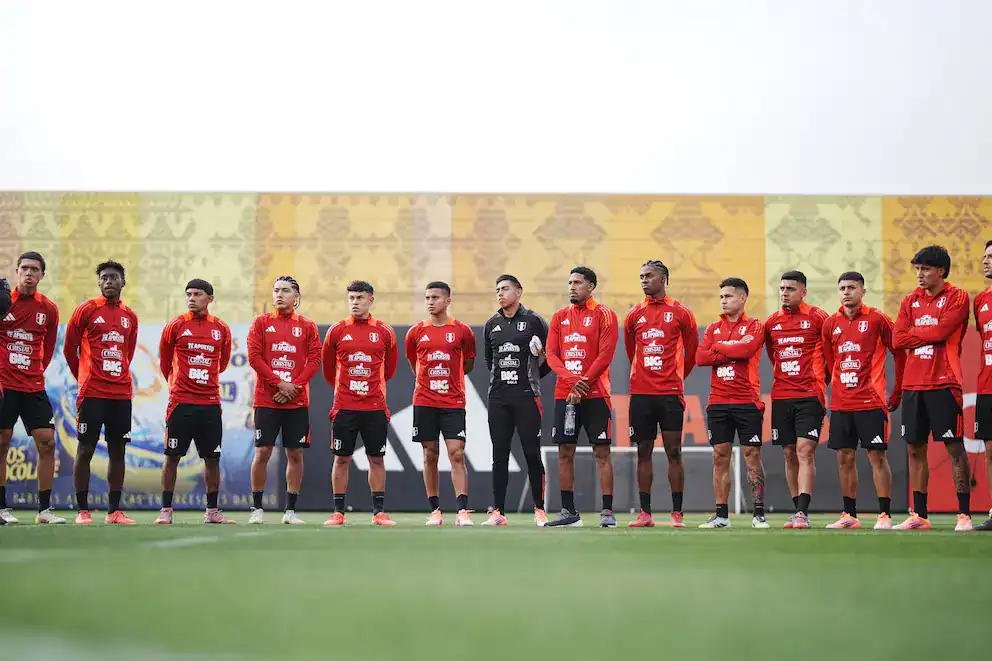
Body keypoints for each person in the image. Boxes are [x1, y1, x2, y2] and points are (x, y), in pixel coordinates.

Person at [892, 245, 973, 531]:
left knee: (954, 447)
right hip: (914, 385)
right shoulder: (909, 300)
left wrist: (917, 333)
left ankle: (964, 515)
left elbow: (942, 332)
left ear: (941, 271)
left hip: (945, 382)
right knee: (915, 449)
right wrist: (926, 335)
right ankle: (919, 516)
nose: (919, 274)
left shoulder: (958, 297)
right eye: (917, 269)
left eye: (925, 269)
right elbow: (897, 339)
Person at [821, 272, 905, 530]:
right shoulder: (830, 324)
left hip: (871, 401)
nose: (846, 292)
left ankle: (884, 515)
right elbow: (830, 362)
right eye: (843, 288)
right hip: (841, 403)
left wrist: (896, 392)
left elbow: (899, 353)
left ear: (863, 291)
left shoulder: (878, 319)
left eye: (852, 287)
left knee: (877, 457)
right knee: (844, 458)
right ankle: (849, 515)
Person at [63, 260, 140, 525]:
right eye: (104, 277)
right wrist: (83, 378)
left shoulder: (130, 316)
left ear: (123, 282)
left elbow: (127, 353)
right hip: (92, 393)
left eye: (114, 277)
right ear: (99, 282)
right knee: (85, 449)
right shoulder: (86, 310)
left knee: (118, 451)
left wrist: (116, 376)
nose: (109, 281)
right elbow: (68, 349)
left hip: (120, 394)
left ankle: (114, 511)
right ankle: (82, 510)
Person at [154, 279, 235, 525]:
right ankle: (166, 510)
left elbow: (222, 363)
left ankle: (212, 511)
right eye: (188, 294)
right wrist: (181, 386)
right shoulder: (176, 326)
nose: (191, 298)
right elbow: (165, 362)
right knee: (172, 457)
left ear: (209, 298)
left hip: (210, 404)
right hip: (181, 403)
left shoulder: (221, 328)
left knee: (212, 459)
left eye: (197, 294)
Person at [623, 260, 698, 528]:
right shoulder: (634, 315)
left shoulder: (681, 313)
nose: (644, 280)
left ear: (663, 279)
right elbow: (632, 352)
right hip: (641, 394)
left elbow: (692, 353)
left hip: (669, 393)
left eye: (649, 276)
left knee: (673, 450)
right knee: (642, 450)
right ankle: (645, 513)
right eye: (641, 276)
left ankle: (677, 514)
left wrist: (674, 378)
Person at [544, 266, 619, 528]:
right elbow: (551, 355)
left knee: (602, 451)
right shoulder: (559, 317)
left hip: (596, 394)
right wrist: (572, 382)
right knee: (564, 451)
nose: (572, 287)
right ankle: (569, 512)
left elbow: (605, 354)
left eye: (577, 282)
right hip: (565, 395)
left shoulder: (605, 315)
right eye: (570, 283)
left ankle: (607, 511)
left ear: (591, 286)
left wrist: (583, 383)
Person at [246, 276, 322, 525]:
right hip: (267, 400)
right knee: (262, 452)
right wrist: (279, 384)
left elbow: (314, 361)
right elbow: (255, 358)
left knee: (295, 454)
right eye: (276, 290)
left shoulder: (308, 326)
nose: (279, 295)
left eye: (285, 291)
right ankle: (257, 509)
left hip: (296, 402)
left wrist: (294, 387)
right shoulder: (261, 323)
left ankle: (290, 511)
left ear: (296, 297)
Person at [322, 280, 398, 527]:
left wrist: (371, 388)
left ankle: (378, 512)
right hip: (345, 406)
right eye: (351, 298)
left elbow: (390, 368)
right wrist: (347, 389)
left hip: (375, 407)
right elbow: (328, 368)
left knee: (376, 459)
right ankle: (338, 512)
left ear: (370, 300)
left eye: (360, 298)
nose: (355, 303)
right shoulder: (337, 330)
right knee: (341, 458)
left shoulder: (384, 331)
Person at [695, 277, 769, 529]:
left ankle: (759, 514)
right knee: (720, 456)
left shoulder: (756, 326)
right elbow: (700, 357)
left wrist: (718, 348)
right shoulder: (713, 328)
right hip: (718, 402)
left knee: (751, 455)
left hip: (747, 400)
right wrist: (728, 347)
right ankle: (721, 515)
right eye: (721, 297)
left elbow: (746, 352)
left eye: (728, 296)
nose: (724, 301)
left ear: (742, 298)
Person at [481, 274, 551, 527]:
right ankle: (498, 511)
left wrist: (534, 374)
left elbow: (551, 358)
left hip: (527, 397)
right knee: (499, 455)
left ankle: (539, 509)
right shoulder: (491, 324)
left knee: (532, 453)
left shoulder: (534, 321)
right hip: (498, 398)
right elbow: (490, 361)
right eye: (497, 289)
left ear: (519, 292)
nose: (500, 293)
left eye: (505, 289)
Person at [405, 281, 476, 526]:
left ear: (447, 301)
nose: (430, 302)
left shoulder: (462, 331)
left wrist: (449, 382)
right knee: (429, 454)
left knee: (456, 453)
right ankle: (435, 511)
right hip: (424, 400)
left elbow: (468, 364)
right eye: (427, 298)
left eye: (435, 297)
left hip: (453, 401)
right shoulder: (415, 332)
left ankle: (462, 511)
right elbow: (413, 363)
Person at [0, 252, 63, 524]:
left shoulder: (48, 309)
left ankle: (44, 511)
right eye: (24, 268)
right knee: (2, 441)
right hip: (4, 384)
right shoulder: (3, 303)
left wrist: (34, 371)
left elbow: (48, 349)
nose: (29, 273)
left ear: (42, 275)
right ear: (16, 271)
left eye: (34, 269)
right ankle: (2, 508)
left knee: (47, 441)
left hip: (33, 385)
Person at [764, 270, 829, 529]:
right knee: (789, 452)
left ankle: (803, 511)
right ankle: (796, 511)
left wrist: (821, 379)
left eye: (790, 289)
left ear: (803, 291)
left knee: (805, 450)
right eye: (781, 289)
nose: (784, 293)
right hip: (782, 394)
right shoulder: (771, 323)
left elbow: (832, 351)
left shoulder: (818, 317)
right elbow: (773, 356)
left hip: (810, 394)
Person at [974, 241, 992, 531]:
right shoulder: (980, 300)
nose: (986, 261)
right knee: (991, 451)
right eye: (985, 256)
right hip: (988, 386)